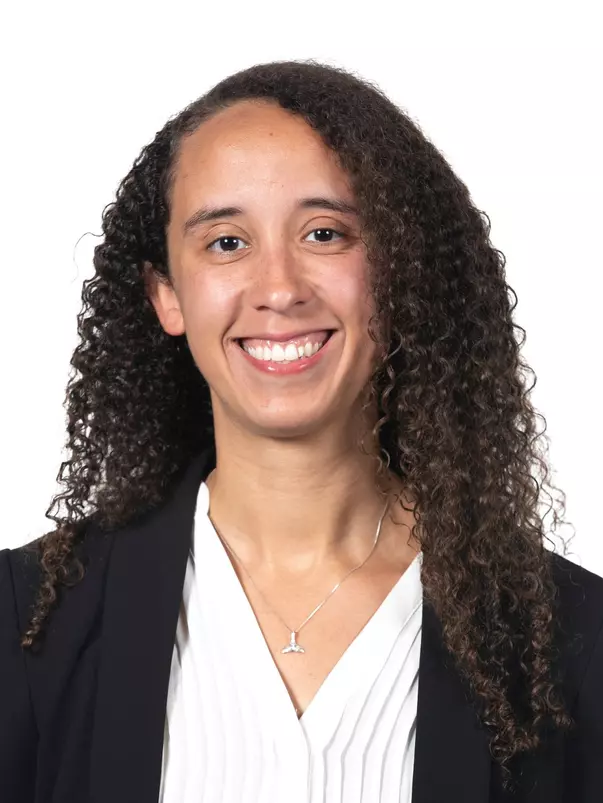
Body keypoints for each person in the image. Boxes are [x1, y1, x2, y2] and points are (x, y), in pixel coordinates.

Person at [1, 60, 601, 803]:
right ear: (167, 296)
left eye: (324, 233)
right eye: (225, 242)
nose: (279, 287)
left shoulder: (570, 641)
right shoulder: (26, 625)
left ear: (397, 270)